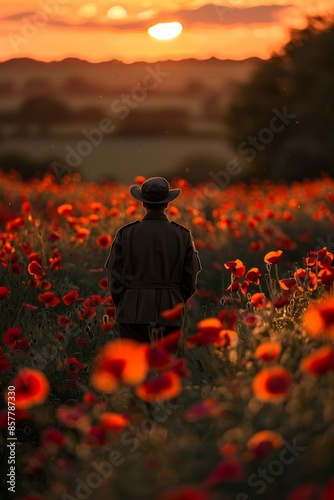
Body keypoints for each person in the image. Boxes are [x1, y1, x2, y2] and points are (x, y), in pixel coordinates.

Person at [104, 176, 202, 343]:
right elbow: (189, 278)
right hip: (170, 309)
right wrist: (175, 297)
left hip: (132, 310)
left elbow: (114, 276)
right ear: (167, 204)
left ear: (143, 203)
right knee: (168, 366)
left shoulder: (126, 233)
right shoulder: (182, 235)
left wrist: (126, 301)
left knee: (136, 366)